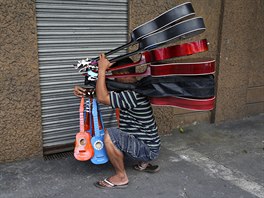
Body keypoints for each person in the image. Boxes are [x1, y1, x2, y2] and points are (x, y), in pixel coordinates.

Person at [73, 54, 160, 189]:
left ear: (124, 73)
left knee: (110, 136)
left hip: (148, 149)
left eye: (114, 75)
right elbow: (103, 93)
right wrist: (85, 92)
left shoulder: (132, 95)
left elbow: (103, 98)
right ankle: (144, 162)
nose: (113, 79)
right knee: (117, 132)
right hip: (149, 144)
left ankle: (121, 176)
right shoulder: (134, 88)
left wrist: (101, 70)